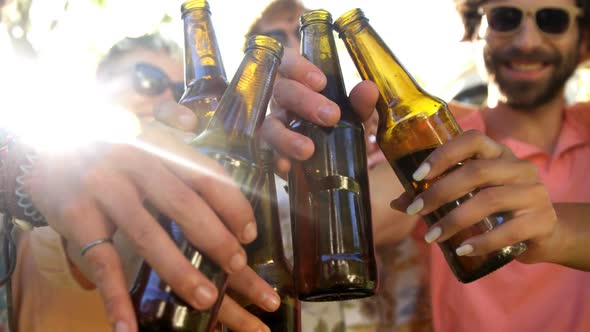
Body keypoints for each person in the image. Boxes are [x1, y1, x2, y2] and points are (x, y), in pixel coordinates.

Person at [263, 0, 590, 331]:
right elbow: (371, 215)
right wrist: (315, 159)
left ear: (584, 40)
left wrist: (556, 230)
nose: (527, 41)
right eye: (505, 18)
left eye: (552, 20)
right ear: (476, 30)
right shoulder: (429, 130)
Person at [0, 32, 281, 332]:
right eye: (148, 80)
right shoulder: (48, 212)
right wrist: (34, 173)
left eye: (178, 88)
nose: (167, 98)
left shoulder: (220, 204)